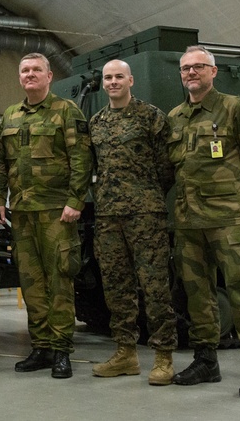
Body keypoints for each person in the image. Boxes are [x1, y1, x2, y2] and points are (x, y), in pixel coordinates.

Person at [168, 45, 240, 399]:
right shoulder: (176, 116)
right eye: (186, 68)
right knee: (198, 295)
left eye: (199, 67)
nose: (191, 73)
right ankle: (206, 361)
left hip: (229, 221)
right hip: (188, 221)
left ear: (213, 72)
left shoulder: (233, 107)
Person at [0, 52, 92, 380]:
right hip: (22, 213)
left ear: (49, 76)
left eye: (37, 69)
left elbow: (81, 157)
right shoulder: (9, 115)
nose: (30, 74)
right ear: (20, 77)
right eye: (25, 70)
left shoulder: (66, 111)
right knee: (31, 282)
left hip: (57, 213)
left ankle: (61, 348)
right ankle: (42, 346)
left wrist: (76, 200)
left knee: (59, 280)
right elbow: (2, 163)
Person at [88, 59, 177, 385]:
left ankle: (164, 357)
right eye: (108, 77)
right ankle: (125, 353)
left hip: (146, 215)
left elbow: (166, 167)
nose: (113, 82)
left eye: (118, 77)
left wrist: (147, 195)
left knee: (155, 288)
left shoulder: (151, 117)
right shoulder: (96, 122)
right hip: (109, 216)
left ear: (131, 80)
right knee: (116, 288)